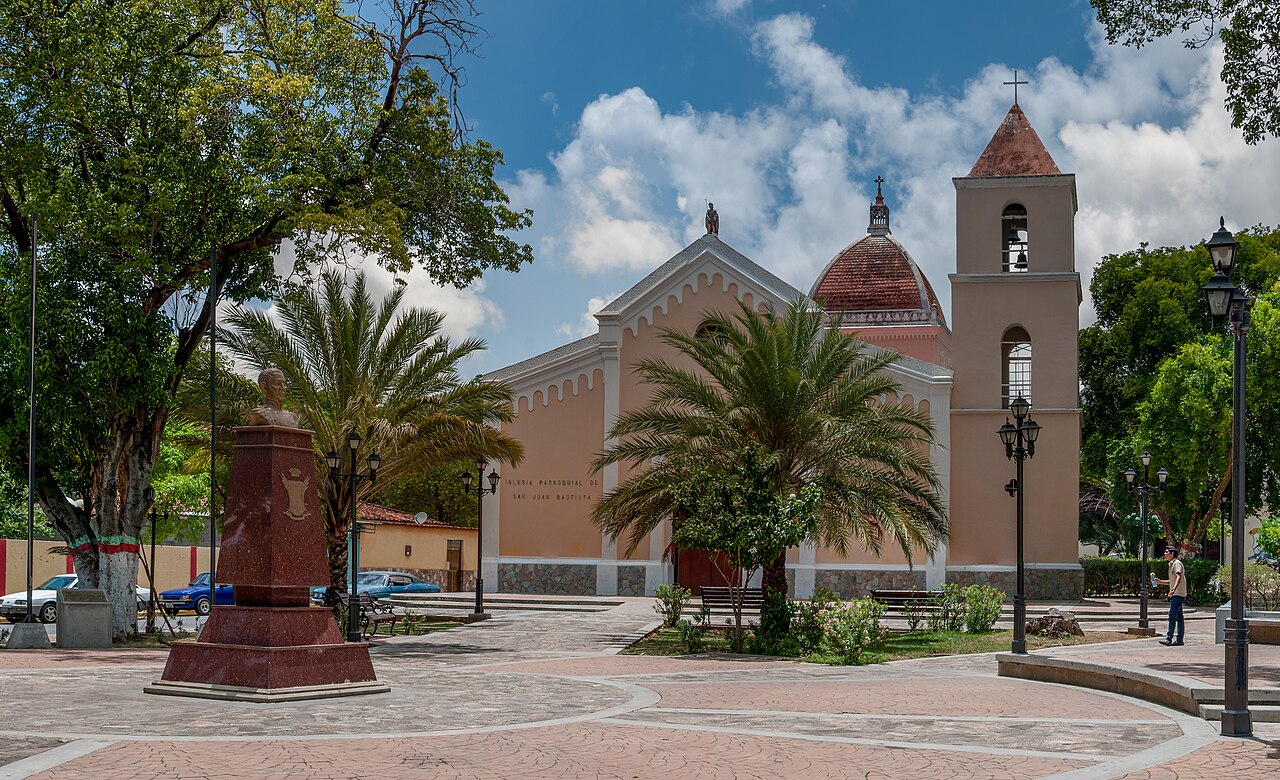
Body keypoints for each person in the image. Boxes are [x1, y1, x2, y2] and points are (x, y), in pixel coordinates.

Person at [1154, 547, 1186, 646]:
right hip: (1177, 593)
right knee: (1179, 618)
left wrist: (1173, 589)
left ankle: (1169, 638)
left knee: (1172, 616)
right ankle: (1180, 640)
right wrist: (1160, 582)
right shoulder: (1171, 564)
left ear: (1172, 554)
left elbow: (1178, 577)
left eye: (1166, 552)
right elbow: (1172, 581)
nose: (1164, 553)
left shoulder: (1177, 564)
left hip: (1178, 594)